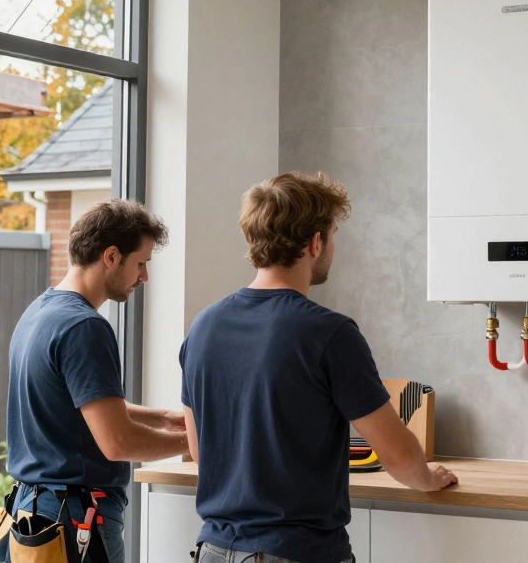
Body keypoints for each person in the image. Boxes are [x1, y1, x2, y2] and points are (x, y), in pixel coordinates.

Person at [181, 172, 457, 563]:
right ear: (315, 242)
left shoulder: (203, 326)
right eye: (332, 235)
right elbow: (398, 456)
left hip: (213, 550)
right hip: (296, 553)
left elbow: (201, 450)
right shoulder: (329, 333)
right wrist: (429, 478)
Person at [4, 199, 189, 563]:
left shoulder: (41, 311)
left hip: (33, 510)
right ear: (111, 256)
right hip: (73, 519)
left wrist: (161, 417)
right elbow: (118, 443)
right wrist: (198, 441)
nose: (144, 277)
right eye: (141, 263)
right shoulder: (85, 327)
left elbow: (76, 400)